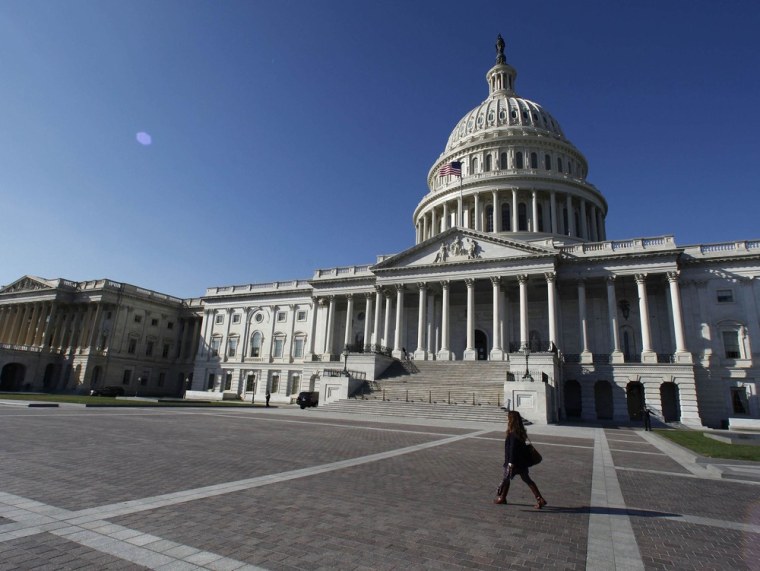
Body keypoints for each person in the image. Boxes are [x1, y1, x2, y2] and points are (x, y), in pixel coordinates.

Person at [493, 410, 547, 509]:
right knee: (527, 480)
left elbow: (512, 449)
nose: (507, 419)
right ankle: (540, 499)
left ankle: (502, 498)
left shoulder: (512, 433)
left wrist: (510, 463)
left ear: (511, 420)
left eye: (508, 418)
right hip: (522, 463)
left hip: (513, 462)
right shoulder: (520, 432)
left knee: (506, 478)